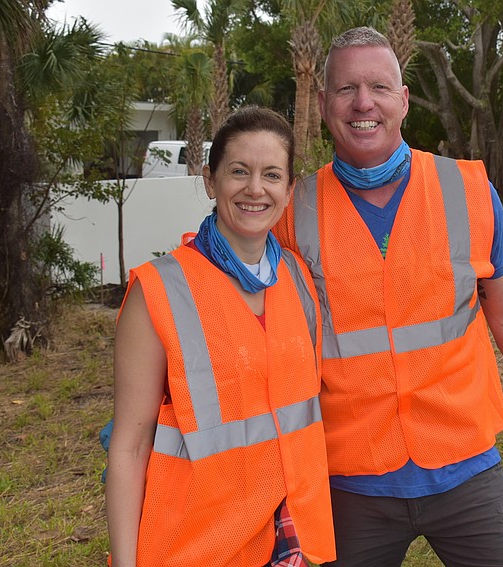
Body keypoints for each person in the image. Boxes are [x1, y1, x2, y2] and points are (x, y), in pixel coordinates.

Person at [273, 27, 503, 567]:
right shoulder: (290, 210)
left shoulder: (468, 191)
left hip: (465, 466)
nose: (363, 103)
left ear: (403, 100)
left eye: (379, 86)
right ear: (324, 103)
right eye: (347, 89)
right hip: (351, 479)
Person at [106, 106, 335, 567]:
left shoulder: (297, 279)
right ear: (211, 182)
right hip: (197, 545)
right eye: (238, 171)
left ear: (289, 191)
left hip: (292, 538)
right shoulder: (158, 291)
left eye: (272, 175)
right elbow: (129, 447)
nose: (255, 189)